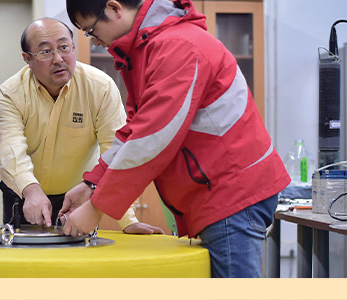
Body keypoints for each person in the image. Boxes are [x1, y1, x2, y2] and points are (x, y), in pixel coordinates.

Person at [62, 0, 290, 277]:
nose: (95, 41)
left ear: (114, 8)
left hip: (231, 191)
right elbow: (136, 129)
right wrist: (92, 183)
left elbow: (153, 137)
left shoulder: (178, 47)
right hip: (215, 191)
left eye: (91, 30)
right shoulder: (147, 49)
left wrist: (97, 208)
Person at [0, 17, 163, 234]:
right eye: (46, 52)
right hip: (24, 195)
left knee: (77, 262)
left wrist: (128, 219)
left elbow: (115, 150)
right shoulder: (10, 93)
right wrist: (31, 190)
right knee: (23, 263)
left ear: (74, 47)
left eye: (64, 48)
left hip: (77, 197)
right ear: (27, 58)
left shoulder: (100, 88)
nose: (58, 59)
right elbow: (10, 150)